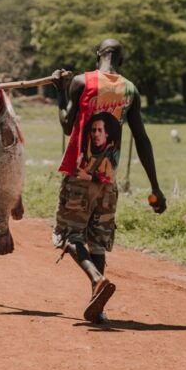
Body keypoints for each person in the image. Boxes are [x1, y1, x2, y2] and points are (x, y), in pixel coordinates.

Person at [52, 39, 166, 323]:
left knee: (69, 235)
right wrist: (155, 187)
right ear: (121, 61)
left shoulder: (82, 82)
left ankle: (97, 279)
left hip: (79, 176)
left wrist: (60, 91)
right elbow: (142, 139)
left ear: (98, 56)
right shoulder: (130, 89)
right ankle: (98, 306)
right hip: (108, 180)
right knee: (98, 243)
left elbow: (66, 125)